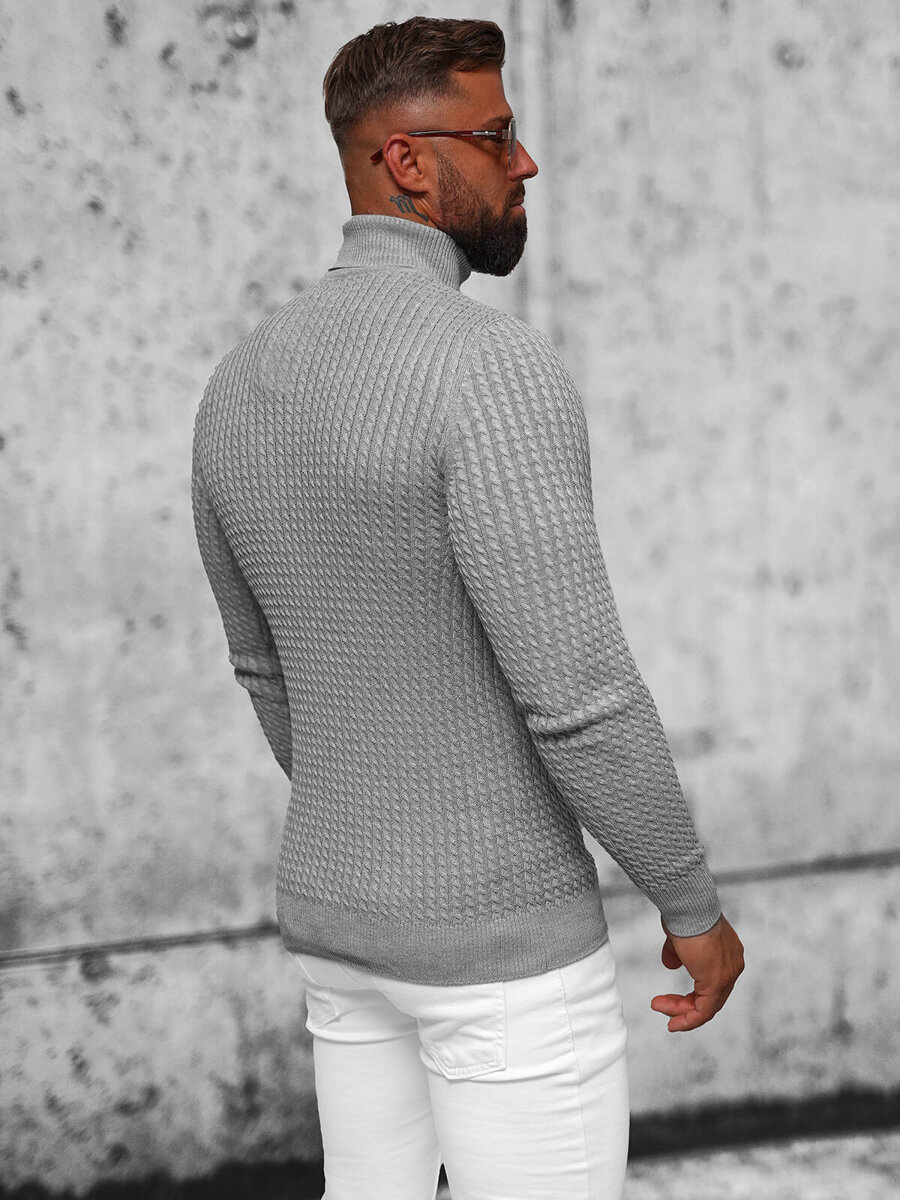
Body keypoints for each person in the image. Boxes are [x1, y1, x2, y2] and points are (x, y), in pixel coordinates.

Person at [190, 15, 745, 1200]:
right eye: (494, 137)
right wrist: (689, 900)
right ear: (406, 161)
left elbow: (265, 670)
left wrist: (383, 834)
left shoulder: (240, 384)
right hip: (502, 947)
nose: (524, 161)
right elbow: (578, 697)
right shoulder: (488, 368)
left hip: (341, 930)